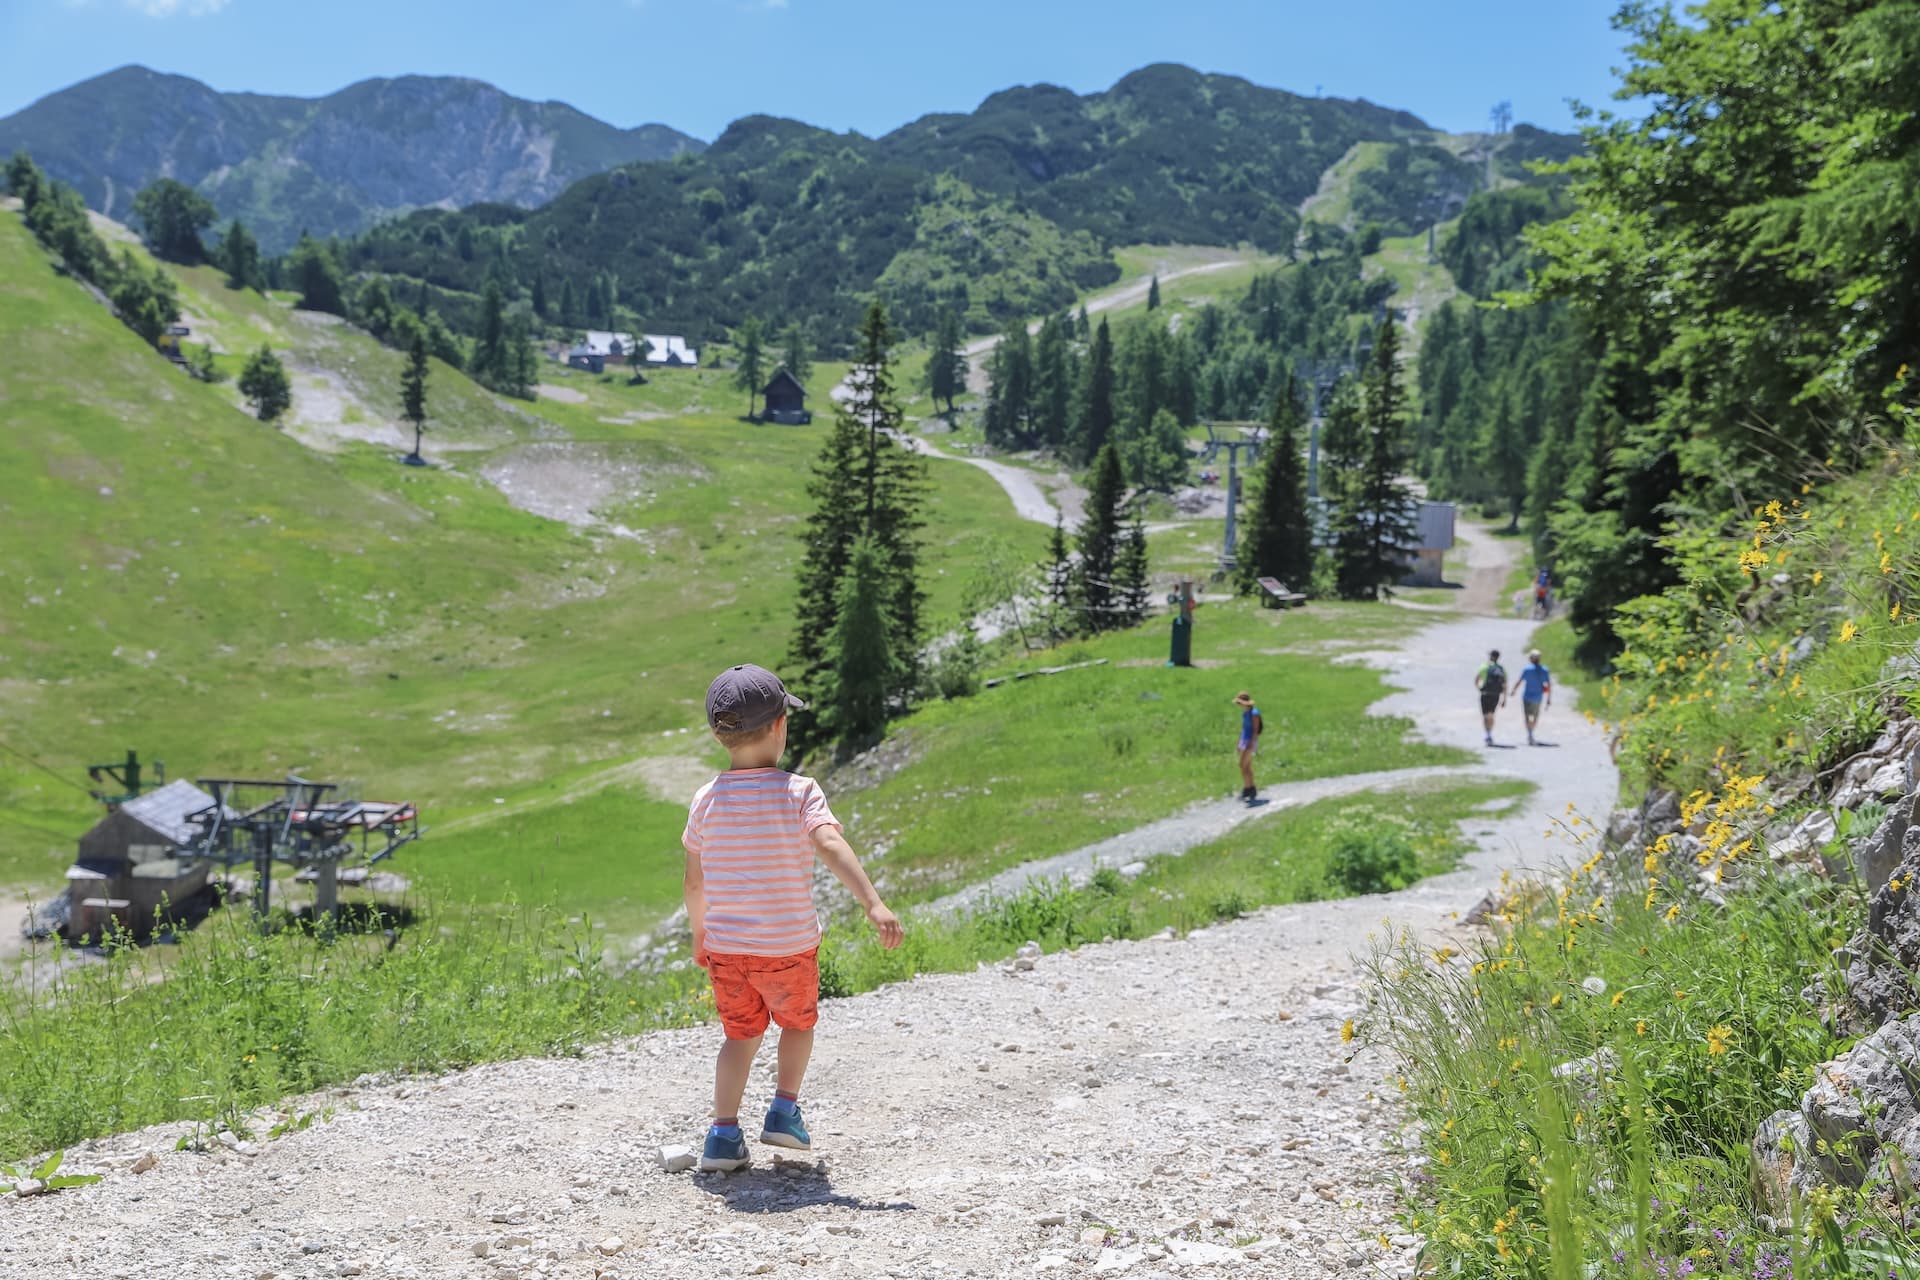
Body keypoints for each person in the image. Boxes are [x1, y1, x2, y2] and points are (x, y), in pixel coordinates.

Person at [683, 664, 904, 1174]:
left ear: (720, 734)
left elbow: (695, 882)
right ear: (781, 726)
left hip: (727, 949)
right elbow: (828, 842)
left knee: (740, 1036)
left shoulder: (705, 799)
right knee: (798, 1022)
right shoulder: (800, 791)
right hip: (788, 947)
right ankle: (784, 1109)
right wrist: (872, 902)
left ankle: (721, 1136)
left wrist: (702, 934)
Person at [1517, 648, 1552, 745]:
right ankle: (1531, 732)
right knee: (1535, 716)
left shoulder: (1527, 669)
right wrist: (1549, 698)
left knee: (1527, 716)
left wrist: (1513, 690)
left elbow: (1520, 681)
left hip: (1527, 696)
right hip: (1538, 697)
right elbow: (1548, 685)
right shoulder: (1545, 670)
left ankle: (1529, 733)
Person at [1233, 691, 1263, 802]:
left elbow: (1255, 730)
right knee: (1246, 766)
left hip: (1250, 741)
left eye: (1239, 703)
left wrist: (1251, 742)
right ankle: (1250, 788)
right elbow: (1244, 728)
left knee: (1242, 764)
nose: (1238, 705)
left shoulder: (1254, 713)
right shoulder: (1245, 713)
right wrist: (1239, 742)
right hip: (1244, 740)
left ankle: (1248, 788)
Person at [1474, 649, 1508, 746]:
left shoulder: (1484, 667)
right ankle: (1490, 733)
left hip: (1485, 693)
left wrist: (1479, 688)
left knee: (1485, 715)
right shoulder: (1501, 669)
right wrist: (1504, 698)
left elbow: (1476, 680)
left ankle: (1487, 734)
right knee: (1491, 714)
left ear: (1490, 656)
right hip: (1496, 694)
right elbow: (1504, 684)